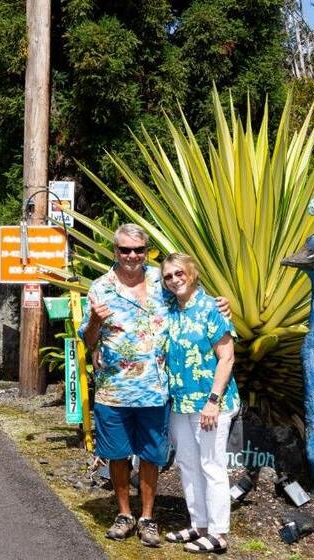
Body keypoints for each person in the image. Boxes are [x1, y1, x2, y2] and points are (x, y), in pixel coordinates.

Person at [79, 224, 229, 548]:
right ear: (115, 252)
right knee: (117, 455)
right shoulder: (99, 288)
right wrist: (94, 322)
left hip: (156, 391)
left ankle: (147, 517)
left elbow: (191, 297)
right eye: (125, 250)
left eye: (138, 250)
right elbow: (88, 339)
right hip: (113, 390)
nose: (132, 255)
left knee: (151, 455)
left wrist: (220, 306)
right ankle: (123, 513)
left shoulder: (161, 282)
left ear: (147, 251)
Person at [159, 253, 240, 554]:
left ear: (192, 274)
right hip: (180, 402)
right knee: (187, 464)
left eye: (179, 273)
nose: (174, 279)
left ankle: (219, 533)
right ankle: (199, 525)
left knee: (212, 465)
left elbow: (227, 357)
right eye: (168, 276)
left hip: (210, 402)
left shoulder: (211, 308)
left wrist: (213, 401)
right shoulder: (170, 310)